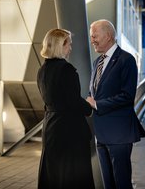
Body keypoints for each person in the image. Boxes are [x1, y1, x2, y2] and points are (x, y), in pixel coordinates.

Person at [86, 19, 145, 189]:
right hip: (101, 132)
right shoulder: (97, 62)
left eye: (95, 35)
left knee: (121, 183)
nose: (92, 39)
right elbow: (94, 93)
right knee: (108, 183)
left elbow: (127, 96)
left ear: (108, 36)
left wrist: (97, 104)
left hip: (119, 133)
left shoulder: (126, 60)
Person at [37, 28, 95, 189]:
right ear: (59, 46)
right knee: (72, 176)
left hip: (50, 128)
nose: (71, 48)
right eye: (69, 44)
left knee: (54, 174)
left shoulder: (42, 71)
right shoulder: (67, 70)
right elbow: (74, 102)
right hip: (69, 131)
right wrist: (89, 105)